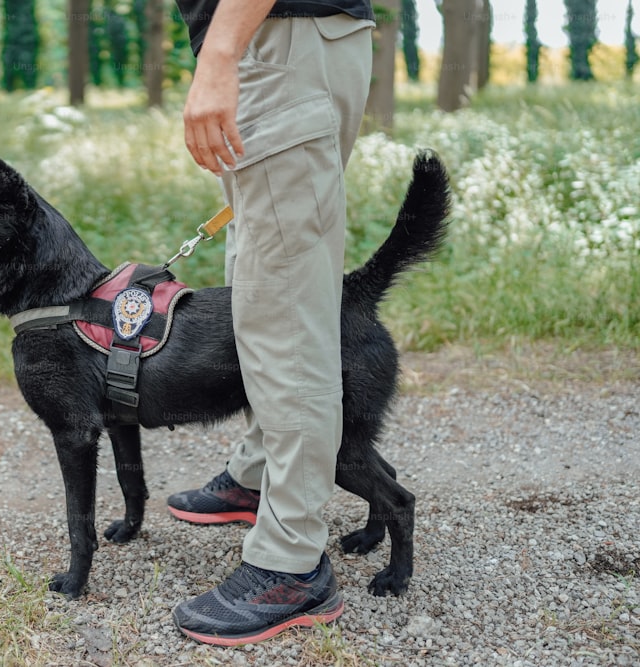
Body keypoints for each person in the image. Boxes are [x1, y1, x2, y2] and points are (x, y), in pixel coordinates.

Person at [167, 0, 375, 646]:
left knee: (285, 319)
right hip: (279, 43)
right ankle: (260, 474)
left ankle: (291, 561)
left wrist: (221, 52)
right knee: (262, 298)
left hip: (278, 46)